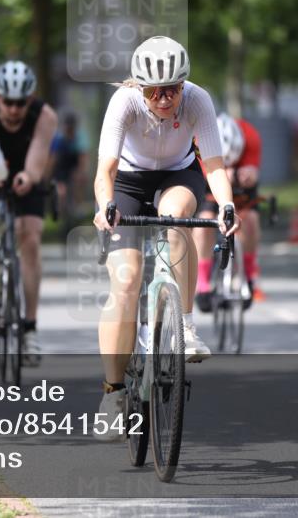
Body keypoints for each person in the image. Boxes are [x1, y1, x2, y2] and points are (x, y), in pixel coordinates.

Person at [92, 36, 239, 438]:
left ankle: (185, 325)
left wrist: (227, 206)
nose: (163, 99)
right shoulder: (123, 103)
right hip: (128, 181)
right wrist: (106, 206)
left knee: (176, 220)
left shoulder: (198, 100)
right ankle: (113, 390)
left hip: (179, 173)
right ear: (140, 87)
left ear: (183, 85)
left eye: (172, 89)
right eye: (154, 91)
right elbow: (104, 172)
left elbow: (213, 166)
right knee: (125, 279)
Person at [0, 61, 58, 366]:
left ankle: (29, 327)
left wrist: (28, 178)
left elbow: (36, 161)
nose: (15, 109)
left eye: (21, 103)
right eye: (8, 102)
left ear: (29, 100)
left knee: (29, 236)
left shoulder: (44, 116)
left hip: (24, 168)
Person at [193, 113, 265, 310]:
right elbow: (206, 175)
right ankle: (203, 283)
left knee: (250, 220)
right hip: (211, 177)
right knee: (204, 222)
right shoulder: (200, 140)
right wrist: (223, 174)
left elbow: (254, 171)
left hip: (241, 186)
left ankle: (249, 275)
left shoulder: (250, 136)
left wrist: (247, 174)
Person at [48, 112, 90, 240]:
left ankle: (78, 206)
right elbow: (53, 159)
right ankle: (60, 211)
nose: (69, 130)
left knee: (78, 182)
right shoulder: (58, 139)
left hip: (72, 169)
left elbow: (83, 158)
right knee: (61, 192)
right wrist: (48, 177)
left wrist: (81, 173)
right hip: (60, 171)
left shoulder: (79, 138)